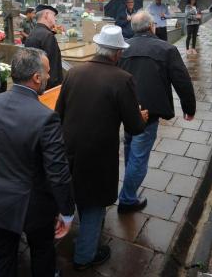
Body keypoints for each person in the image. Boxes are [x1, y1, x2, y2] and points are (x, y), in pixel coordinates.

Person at [0, 48, 74, 277]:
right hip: (31, 205)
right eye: (46, 72)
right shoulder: (45, 117)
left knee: (3, 256)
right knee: (42, 252)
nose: (48, 76)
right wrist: (66, 211)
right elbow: (58, 172)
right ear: (36, 78)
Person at [56, 25, 147, 270]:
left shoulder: (74, 73)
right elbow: (134, 126)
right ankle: (84, 257)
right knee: (94, 201)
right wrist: (143, 117)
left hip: (69, 148)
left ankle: (74, 238)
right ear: (117, 53)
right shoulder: (123, 79)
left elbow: (58, 113)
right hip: (98, 154)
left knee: (77, 193)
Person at [118, 11, 196, 213]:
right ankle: (127, 199)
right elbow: (182, 80)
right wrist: (189, 108)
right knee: (139, 155)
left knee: (130, 148)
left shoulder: (123, 47)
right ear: (152, 26)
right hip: (149, 112)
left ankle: (129, 187)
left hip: (126, 109)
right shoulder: (166, 49)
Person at [25, 4, 62, 89]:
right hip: (48, 87)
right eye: (53, 15)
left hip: (34, 85)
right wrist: (56, 87)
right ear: (46, 15)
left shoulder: (32, 33)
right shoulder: (47, 36)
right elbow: (53, 67)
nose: (55, 19)